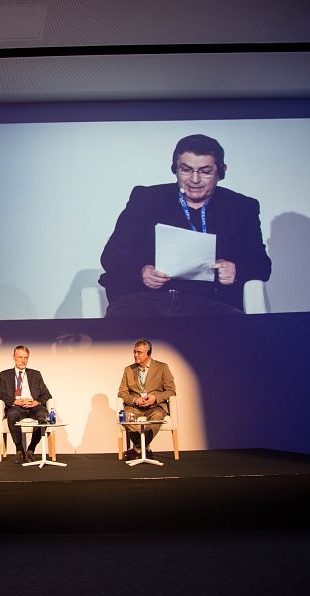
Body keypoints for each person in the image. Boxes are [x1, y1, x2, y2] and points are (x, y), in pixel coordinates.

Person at [99, 134, 271, 317]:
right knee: (129, 335)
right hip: (146, 300)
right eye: (186, 170)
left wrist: (236, 271)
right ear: (175, 169)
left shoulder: (241, 207)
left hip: (211, 304)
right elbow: (112, 255)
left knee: (226, 337)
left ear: (221, 171)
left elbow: (261, 265)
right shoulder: (146, 199)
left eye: (205, 171)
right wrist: (141, 272)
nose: (194, 180)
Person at [118, 339, 176, 460]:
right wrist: (134, 400)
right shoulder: (129, 370)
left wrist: (155, 398)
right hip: (135, 407)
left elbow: (171, 391)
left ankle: (137, 449)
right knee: (127, 414)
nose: (135, 355)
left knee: (157, 415)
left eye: (139, 352)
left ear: (148, 353)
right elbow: (122, 392)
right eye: (134, 352)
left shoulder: (162, 367)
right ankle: (144, 449)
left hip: (155, 407)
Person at [0, 345, 52, 463]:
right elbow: (1, 395)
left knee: (43, 416)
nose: (23, 360)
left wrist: (36, 402)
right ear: (14, 357)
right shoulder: (5, 375)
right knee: (11, 415)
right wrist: (16, 401)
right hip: (17, 406)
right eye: (20, 357)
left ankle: (31, 449)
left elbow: (47, 394)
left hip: (34, 407)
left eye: (26, 357)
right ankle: (19, 450)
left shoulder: (35, 374)